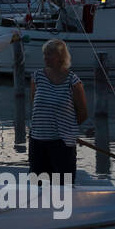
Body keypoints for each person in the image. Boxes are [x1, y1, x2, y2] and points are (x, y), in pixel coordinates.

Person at [29, 38, 87, 184]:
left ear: (60, 57)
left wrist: (67, 129)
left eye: (49, 54)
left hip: (61, 143)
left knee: (63, 186)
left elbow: (82, 113)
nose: (45, 57)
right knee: (38, 185)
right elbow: (34, 107)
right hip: (38, 141)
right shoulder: (37, 77)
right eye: (44, 54)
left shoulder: (73, 81)